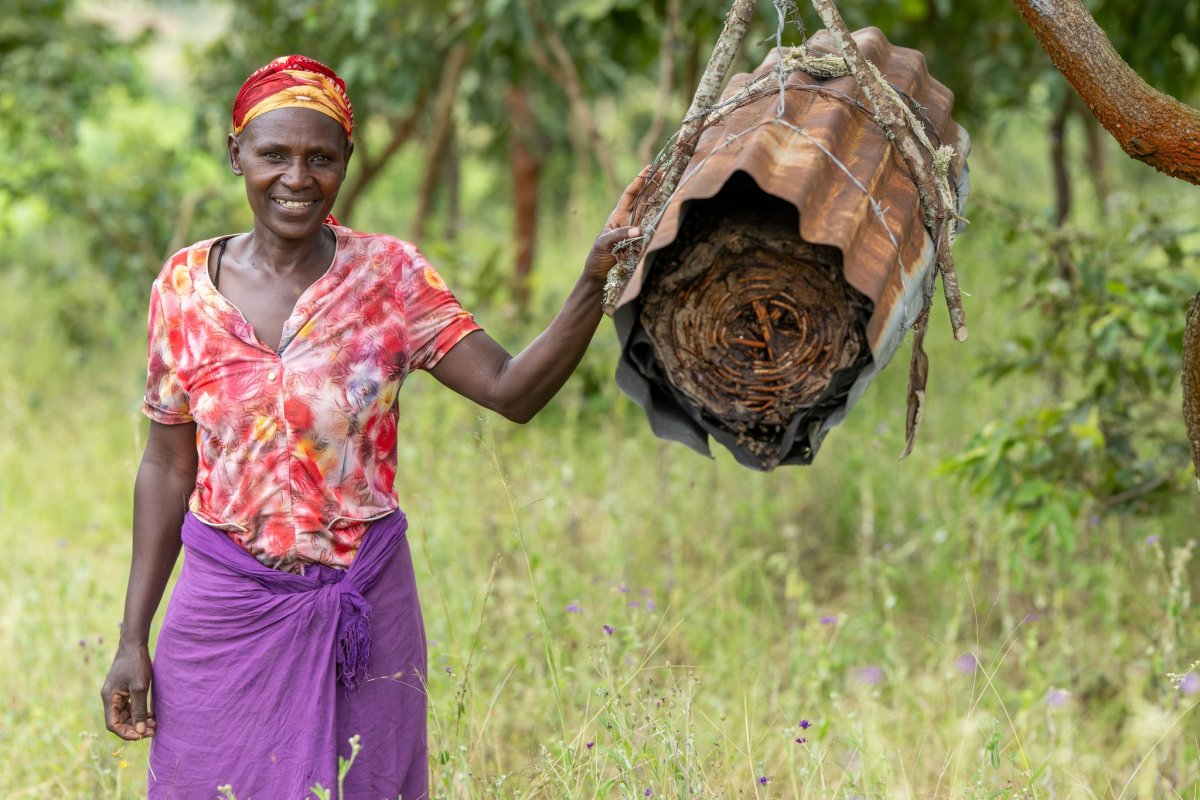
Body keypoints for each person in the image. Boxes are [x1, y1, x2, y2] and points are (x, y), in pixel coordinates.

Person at [100, 55, 645, 799]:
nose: (297, 178)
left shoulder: (389, 279)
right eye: (274, 155)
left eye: (319, 158)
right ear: (237, 156)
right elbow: (166, 466)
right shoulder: (185, 288)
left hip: (362, 607)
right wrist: (133, 638)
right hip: (225, 609)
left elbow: (511, 391)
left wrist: (590, 286)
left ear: (346, 163)